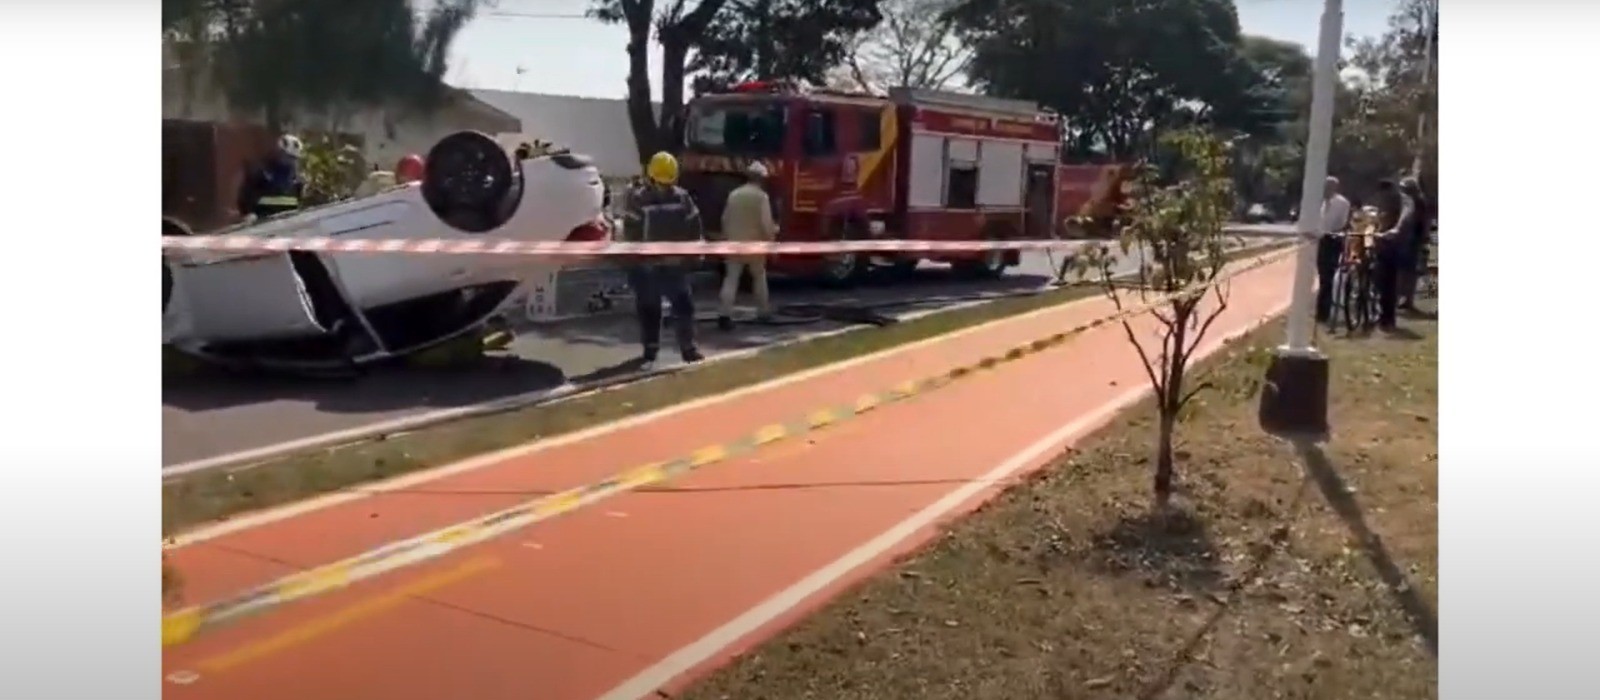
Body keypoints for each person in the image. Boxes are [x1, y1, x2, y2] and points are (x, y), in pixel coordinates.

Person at [620, 151, 705, 368]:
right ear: (652, 178)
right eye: (661, 182)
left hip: (672, 264)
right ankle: (651, 349)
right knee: (650, 308)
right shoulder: (639, 199)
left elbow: (694, 227)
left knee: (684, 306)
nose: (665, 187)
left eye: (668, 183)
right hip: (649, 266)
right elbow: (631, 232)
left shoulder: (681, 197)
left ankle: (688, 347)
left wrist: (695, 254)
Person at [717, 161, 779, 330]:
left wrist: (726, 238)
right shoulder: (762, 197)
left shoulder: (734, 194)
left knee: (731, 279)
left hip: (734, 243)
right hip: (755, 245)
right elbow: (766, 224)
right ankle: (763, 312)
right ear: (761, 179)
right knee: (759, 277)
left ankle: (724, 314)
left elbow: (725, 219)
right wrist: (772, 240)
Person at [1373, 178, 1420, 331]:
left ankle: (1388, 317)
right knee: (1381, 280)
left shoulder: (1406, 200)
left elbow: (1405, 216)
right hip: (1382, 242)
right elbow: (1378, 216)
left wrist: (1396, 230)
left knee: (1390, 282)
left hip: (1398, 244)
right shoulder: (1384, 200)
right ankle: (1381, 313)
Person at [236, 134, 305, 222]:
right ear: (279, 153)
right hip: (262, 224)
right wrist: (248, 214)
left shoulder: (297, 181)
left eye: (294, 159)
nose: (291, 162)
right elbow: (245, 197)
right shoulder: (260, 173)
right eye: (288, 157)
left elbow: (298, 204)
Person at [1314, 176, 1353, 324]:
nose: (1324, 190)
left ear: (1334, 187)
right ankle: (1321, 309)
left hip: (1333, 240)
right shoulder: (1322, 203)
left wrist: (1334, 234)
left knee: (1327, 277)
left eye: (1328, 187)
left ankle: (1323, 312)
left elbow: (1343, 223)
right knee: (1322, 275)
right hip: (1321, 240)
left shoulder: (1342, 203)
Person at [1397, 177, 1432, 311]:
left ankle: (1407, 299)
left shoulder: (1418, 202)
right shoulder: (1410, 201)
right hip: (1408, 238)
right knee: (1405, 270)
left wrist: (1422, 237)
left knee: (1409, 271)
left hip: (1413, 239)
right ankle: (1404, 298)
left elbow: (1421, 221)